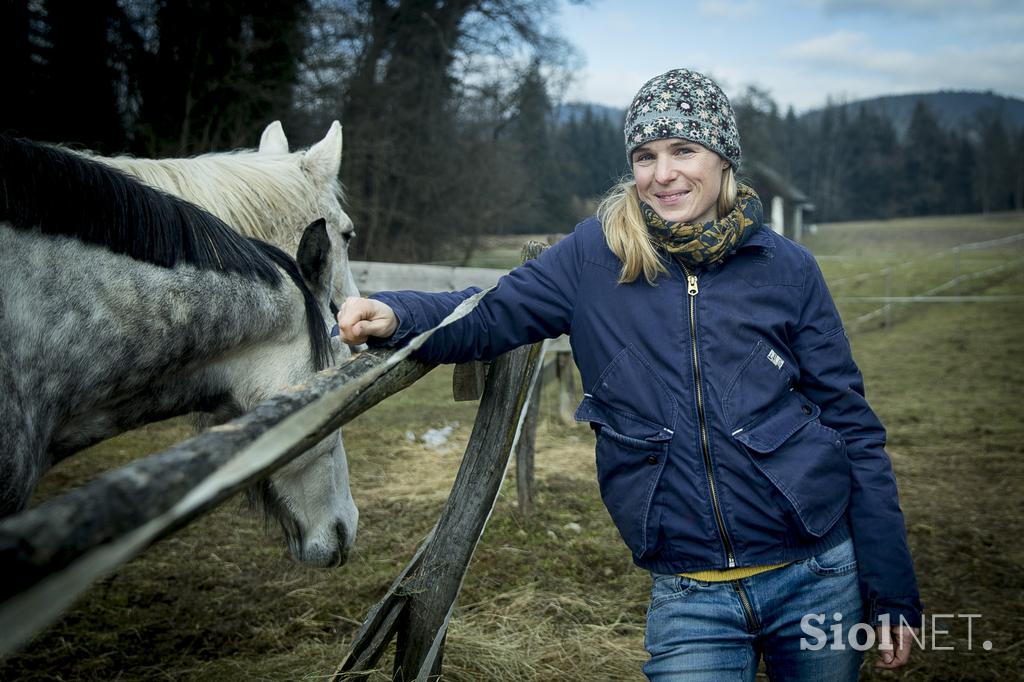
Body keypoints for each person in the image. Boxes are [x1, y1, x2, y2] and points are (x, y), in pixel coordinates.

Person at [338, 68, 923, 681]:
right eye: (645, 156)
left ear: (723, 158)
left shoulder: (788, 269)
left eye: (683, 150)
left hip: (818, 575)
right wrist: (399, 313)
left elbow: (852, 428)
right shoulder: (593, 258)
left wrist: (891, 592)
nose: (662, 173)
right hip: (690, 594)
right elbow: (489, 315)